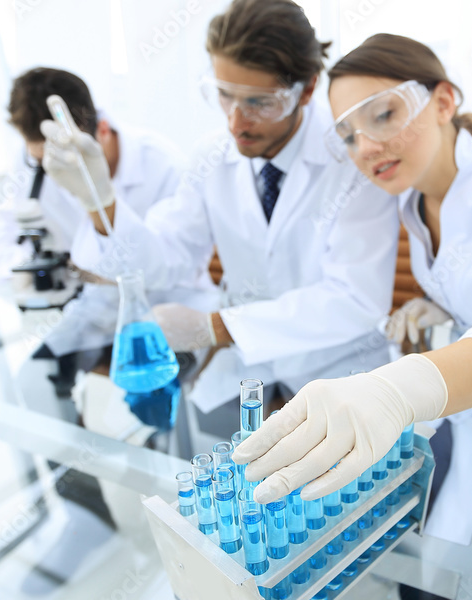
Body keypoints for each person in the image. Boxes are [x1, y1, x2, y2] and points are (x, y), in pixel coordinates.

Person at [232, 35, 472, 600]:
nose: (366, 146)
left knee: (454, 596)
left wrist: (399, 388)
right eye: (347, 136)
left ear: (445, 100)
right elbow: (471, 273)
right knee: (426, 593)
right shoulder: (411, 200)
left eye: (383, 115)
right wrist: (436, 301)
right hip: (471, 394)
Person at [41, 0, 398, 436]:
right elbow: (164, 257)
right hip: (247, 369)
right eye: (224, 95)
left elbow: (355, 300)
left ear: (306, 91)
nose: (236, 122)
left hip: (339, 371)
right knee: (210, 480)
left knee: (329, 493)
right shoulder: (213, 156)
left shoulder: (354, 159)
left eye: (259, 103)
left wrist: (217, 326)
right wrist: (100, 201)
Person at [0, 67, 187, 595]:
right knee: (31, 382)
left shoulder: (159, 161)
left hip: (162, 313)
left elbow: (169, 262)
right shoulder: (35, 160)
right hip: (91, 309)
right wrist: (37, 264)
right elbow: (3, 240)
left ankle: (179, 519)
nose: (46, 171)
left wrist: (104, 251)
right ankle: (86, 516)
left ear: (96, 132)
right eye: (38, 160)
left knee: (152, 399)